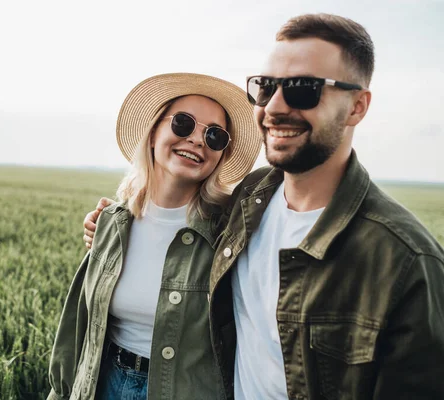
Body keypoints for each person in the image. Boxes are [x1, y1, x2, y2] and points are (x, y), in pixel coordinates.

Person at [83, 14, 444, 399]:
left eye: (304, 89)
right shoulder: (249, 202)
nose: (275, 106)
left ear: (357, 106)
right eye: (265, 86)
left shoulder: (407, 260)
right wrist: (107, 225)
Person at [47, 73, 262, 400]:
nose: (197, 140)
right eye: (183, 124)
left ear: (221, 154)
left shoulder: (230, 233)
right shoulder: (112, 223)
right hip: (104, 385)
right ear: (152, 133)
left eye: (215, 136)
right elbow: (78, 327)